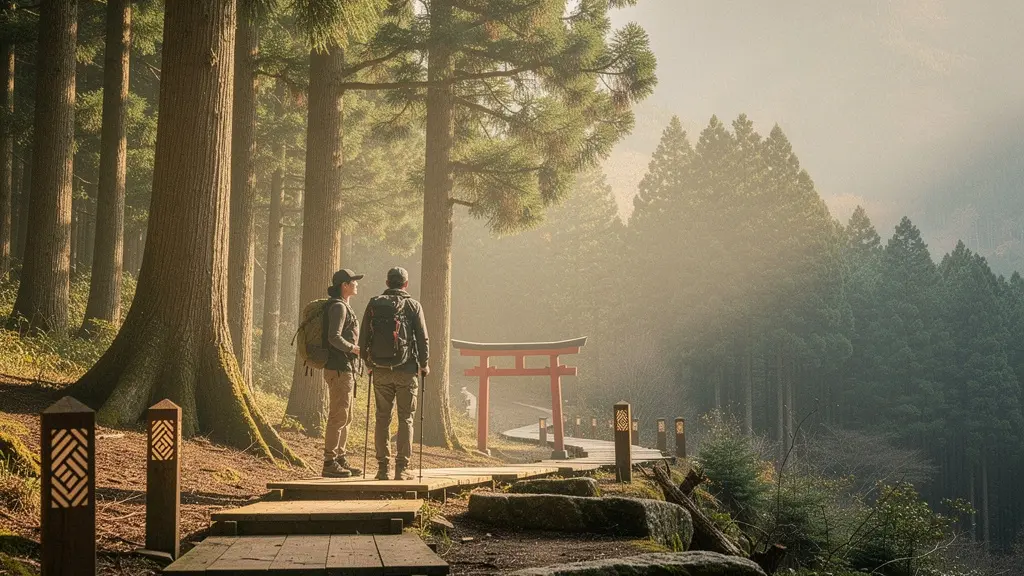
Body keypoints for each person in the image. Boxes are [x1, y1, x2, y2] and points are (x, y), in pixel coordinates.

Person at [359, 267, 429, 481]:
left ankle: (382, 469)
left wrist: (368, 362)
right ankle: (401, 469)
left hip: (380, 370)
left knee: (382, 418)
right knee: (405, 418)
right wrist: (424, 364)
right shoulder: (413, 305)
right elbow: (422, 338)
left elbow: (363, 338)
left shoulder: (374, 303)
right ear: (406, 284)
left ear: (387, 282)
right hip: (406, 370)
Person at [321, 268, 365, 478]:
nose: (356, 284)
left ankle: (340, 458)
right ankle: (329, 462)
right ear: (344, 285)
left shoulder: (344, 306)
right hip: (338, 368)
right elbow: (333, 337)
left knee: (346, 417)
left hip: (345, 369)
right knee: (338, 417)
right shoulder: (338, 307)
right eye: (353, 281)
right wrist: (354, 349)